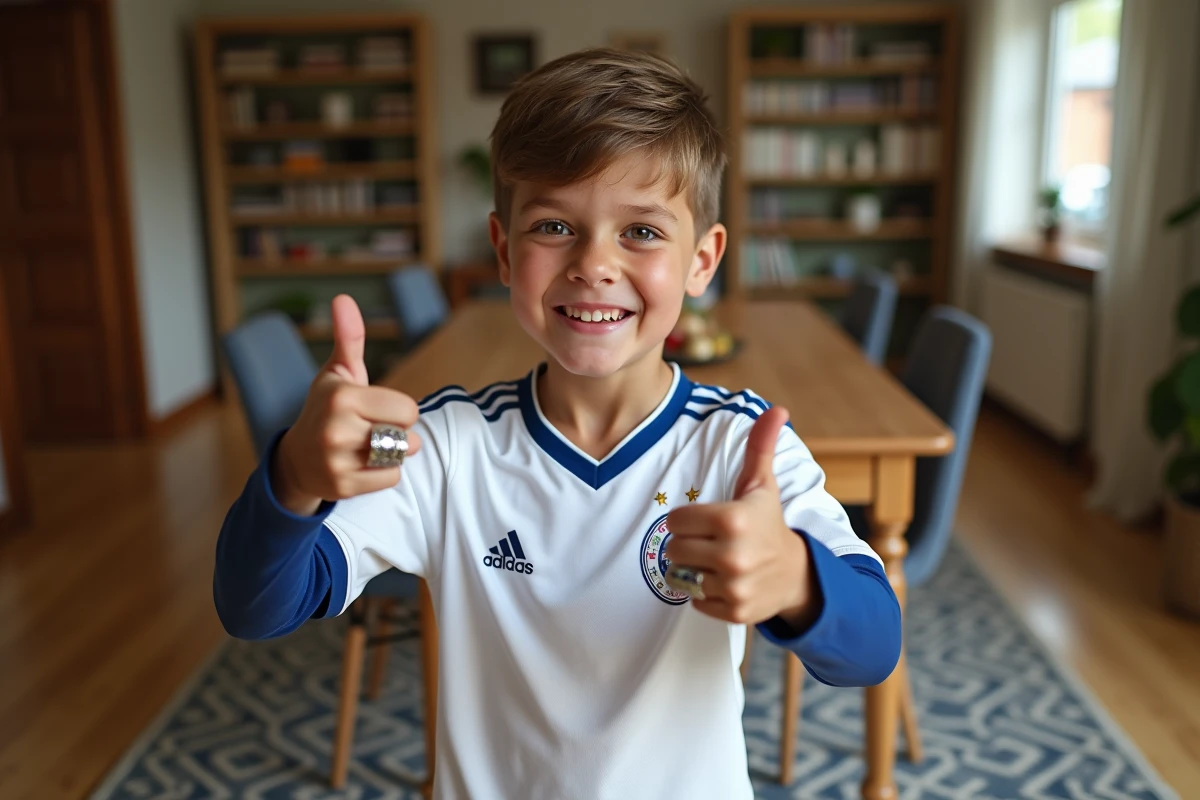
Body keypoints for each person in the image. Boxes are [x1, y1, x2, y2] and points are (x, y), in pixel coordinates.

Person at [213, 47, 901, 799]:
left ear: (702, 261)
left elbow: (873, 648)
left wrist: (798, 579)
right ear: (504, 251)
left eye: (640, 232)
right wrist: (295, 479)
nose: (593, 264)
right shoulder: (444, 447)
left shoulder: (741, 447)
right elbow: (255, 609)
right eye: (553, 226)